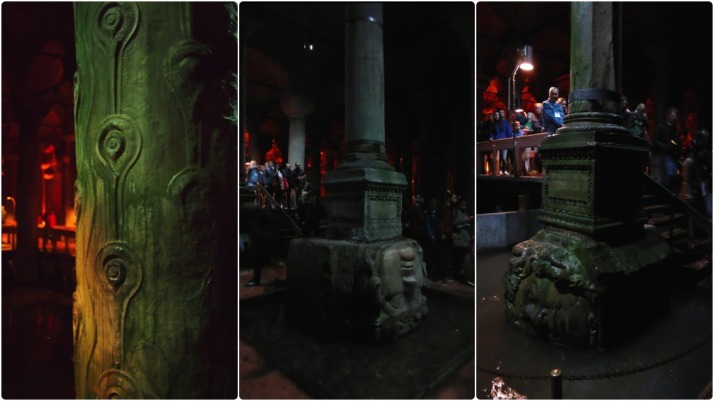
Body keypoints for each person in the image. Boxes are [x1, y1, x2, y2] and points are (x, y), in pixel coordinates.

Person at [652, 107, 680, 191]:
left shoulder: (674, 129)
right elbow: (655, 140)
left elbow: (675, 141)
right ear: (668, 115)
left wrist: (673, 144)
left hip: (671, 154)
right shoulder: (661, 126)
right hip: (662, 154)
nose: (675, 117)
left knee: (672, 173)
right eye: (673, 114)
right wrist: (664, 146)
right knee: (666, 174)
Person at [452, 198, 473, 284]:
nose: (464, 207)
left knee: (463, 258)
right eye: (462, 205)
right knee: (458, 257)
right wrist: (466, 220)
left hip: (465, 238)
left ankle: (459, 274)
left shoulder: (465, 213)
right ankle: (456, 274)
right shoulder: (456, 212)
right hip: (458, 239)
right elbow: (455, 222)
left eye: (465, 205)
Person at [489, 110, 511, 175]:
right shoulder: (493, 124)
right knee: (495, 157)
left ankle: (504, 170)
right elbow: (492, 133)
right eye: (495, 115)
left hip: (504, 141)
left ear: (500, 115)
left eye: (498, 115)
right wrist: (491, 137)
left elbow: (508, 131)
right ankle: (494, 171)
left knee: (504, 157)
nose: (496, 116)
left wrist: (509, 139)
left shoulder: (505, 122)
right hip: (496, 141)